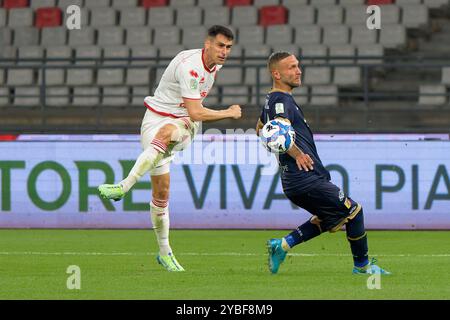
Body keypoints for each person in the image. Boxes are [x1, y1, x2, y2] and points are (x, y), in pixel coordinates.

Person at [98, 25, 242, 272]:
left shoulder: (215, 64)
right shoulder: (191, 67)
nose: (225, 52)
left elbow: (193, 114)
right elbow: (198, 109)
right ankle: (165, 253)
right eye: (220, 46)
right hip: (154, 119)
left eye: (228, 47)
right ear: (207, 44)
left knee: (169, 132)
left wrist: (187, 117)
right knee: (162, 193)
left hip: (183, 122)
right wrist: (227, 112)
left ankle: (124, 186)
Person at [256, 52, 390, 275]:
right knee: (353, 211)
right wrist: (296, 153)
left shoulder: (272, 99)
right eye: (291, 67)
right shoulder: (281, 101)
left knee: (329, 217)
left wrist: (280, 146)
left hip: (297, 179)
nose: (298, 71)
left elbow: (261, 127)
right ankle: (363, 267)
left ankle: (282, 245)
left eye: (298, 66)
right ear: (276, 73)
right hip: (303, 176)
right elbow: (271, 133)